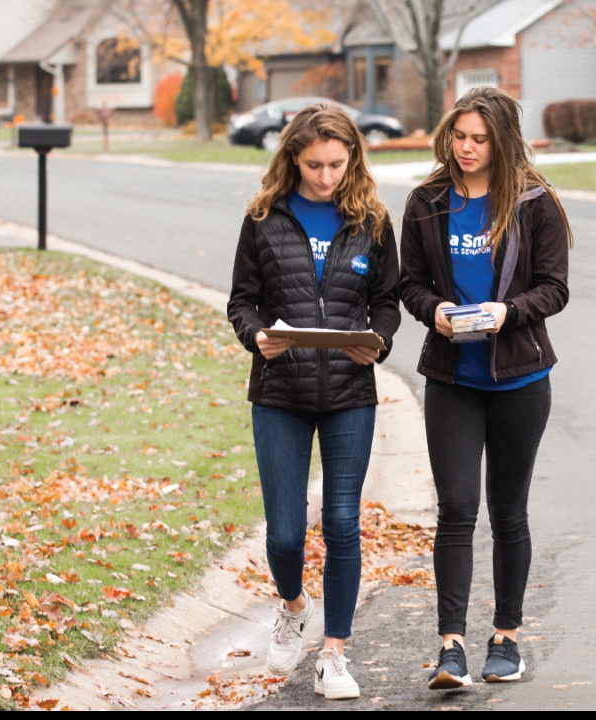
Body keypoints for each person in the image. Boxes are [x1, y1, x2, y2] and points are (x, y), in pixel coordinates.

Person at [399, 87, 572, 689]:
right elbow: (410, 283)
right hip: (453, 379)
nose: (465, 148)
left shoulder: (533, 201)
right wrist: (436, 310)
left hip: (521, 379)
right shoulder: (426, 201)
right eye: (458, 137)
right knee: (455, 510)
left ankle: (506, 638)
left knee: (508, 512)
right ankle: (451, 648)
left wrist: (509, 313)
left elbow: (554, 287)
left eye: (478, 139)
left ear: (501, 141)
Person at [227, 104, 399, 700]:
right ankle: (294, 605)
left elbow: (387, 302)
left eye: (335, 163)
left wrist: (377, 343)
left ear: (352, 157)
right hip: (280, 393)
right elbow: (241, 303)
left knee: (344, 523)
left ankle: (334, 655)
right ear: (292, 159)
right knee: (283, 534)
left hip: (350, 393)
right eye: (312, 165)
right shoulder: (263, 219)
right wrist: (257, 337)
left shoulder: (372, 220)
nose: (325, 177)